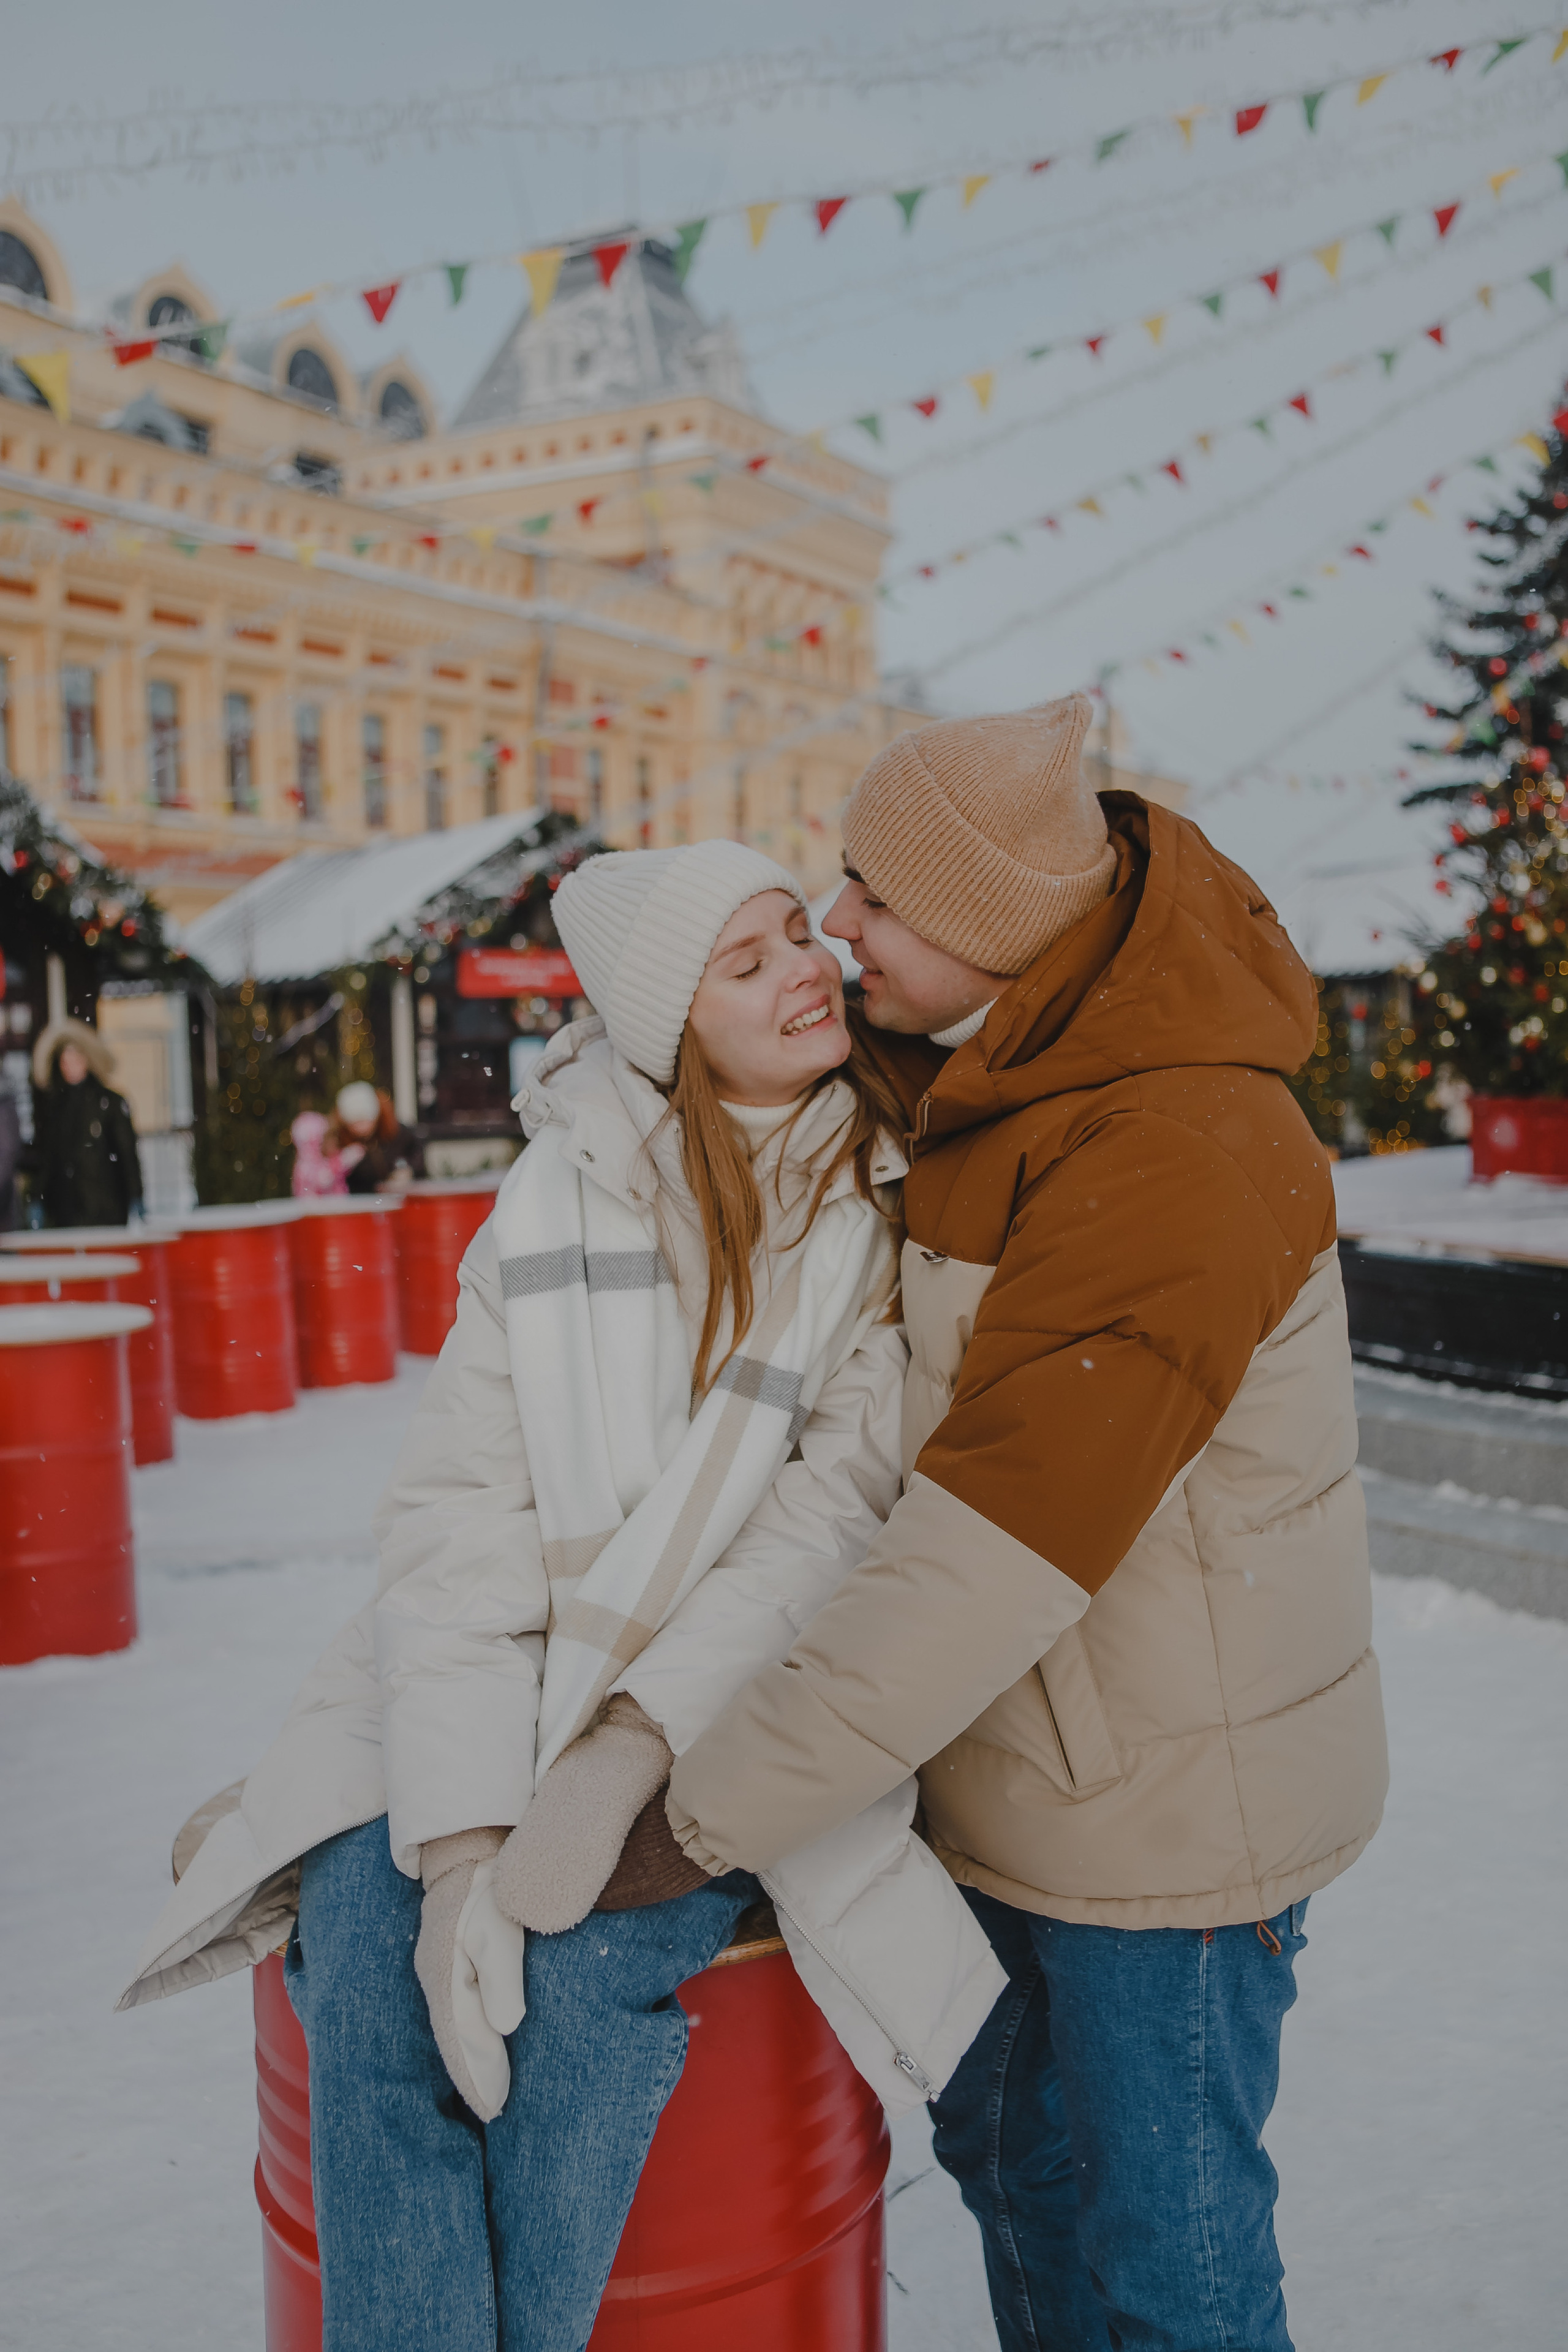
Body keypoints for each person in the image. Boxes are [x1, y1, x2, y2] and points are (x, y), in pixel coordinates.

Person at [120, 840, 1003, 2351]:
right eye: (747, 960)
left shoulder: (884, 1198)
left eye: (799, 930)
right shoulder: (545, 1201)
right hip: (495, 1673)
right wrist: (462, 1834)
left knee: (584, 1971)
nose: (807, 964)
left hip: (728, 1709)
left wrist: (624, 1748)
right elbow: (462, 1515)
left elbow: (824, 1528)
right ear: (670, 1025)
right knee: (365, 1940)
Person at [666, 695, 1389, 2352]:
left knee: (1161, 2269)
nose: (836, 927)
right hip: (1022, 1781)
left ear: (997, 924)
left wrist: (702, 1817)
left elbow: (981, 1556)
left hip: (1169, 1826)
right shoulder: (1000, 1084)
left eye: (873, 894)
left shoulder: (1172, 1145)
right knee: (1035, 2194)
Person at [29, 1017, 143, 1227]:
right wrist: (38, 1197)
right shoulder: (56, 1108)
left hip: (106, 1209)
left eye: (75, 1059)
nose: (70, 1066)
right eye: (65, 1061)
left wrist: (136, 1194)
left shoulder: (111, 1103)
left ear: (87, 1060)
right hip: (67, 1213)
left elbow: (127, 1152)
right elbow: (48, 1158)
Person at [330, 1078, 422, 1193]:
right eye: (355, 1123)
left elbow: (417, 1155)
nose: (361, 1128)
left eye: (364, 1120)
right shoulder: (345, 1146)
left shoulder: (396, 1132)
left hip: (400, 1199)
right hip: (366, 1203)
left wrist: (409, 1171)